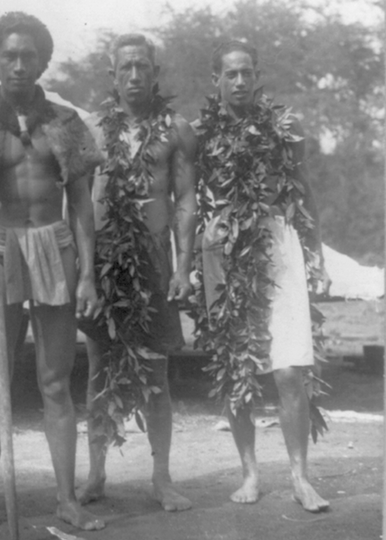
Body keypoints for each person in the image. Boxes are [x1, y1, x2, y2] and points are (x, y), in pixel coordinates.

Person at [0, 12, 102, 534]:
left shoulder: (66, 123)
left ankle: (65, 499)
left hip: (54, 246)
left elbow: (81, 205)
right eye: (8, 56)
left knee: (55, 383)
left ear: (41, 61)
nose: (18, 65)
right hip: (0, 246)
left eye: (27, 56)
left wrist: (88, 277)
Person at [195, 40, 330, 513]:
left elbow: (306, 194)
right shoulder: (199, 136)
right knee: (237, 368)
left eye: (246, 73)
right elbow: (187, 202)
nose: (239, 82)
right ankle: (250, 472)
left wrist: (318, 258)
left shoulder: (282, 130)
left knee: (289, 369)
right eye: (230, 74)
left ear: (256, 76)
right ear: (216, 80)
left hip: (279, 242)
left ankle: (299, 476)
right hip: (224, 244)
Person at [76, 34, 197, 512]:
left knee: (156, 372)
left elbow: (186, 200)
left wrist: (184, 267)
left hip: (153, 262)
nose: (133, 76)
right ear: (112, 75)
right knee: (98, 368)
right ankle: (96, 473)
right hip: (105, 262)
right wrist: (85, 272)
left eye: (142, 67)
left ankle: (162, 478)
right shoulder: (90, 131)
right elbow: (79, 206)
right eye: (124, 68)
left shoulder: (177, 130)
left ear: (154, 73)